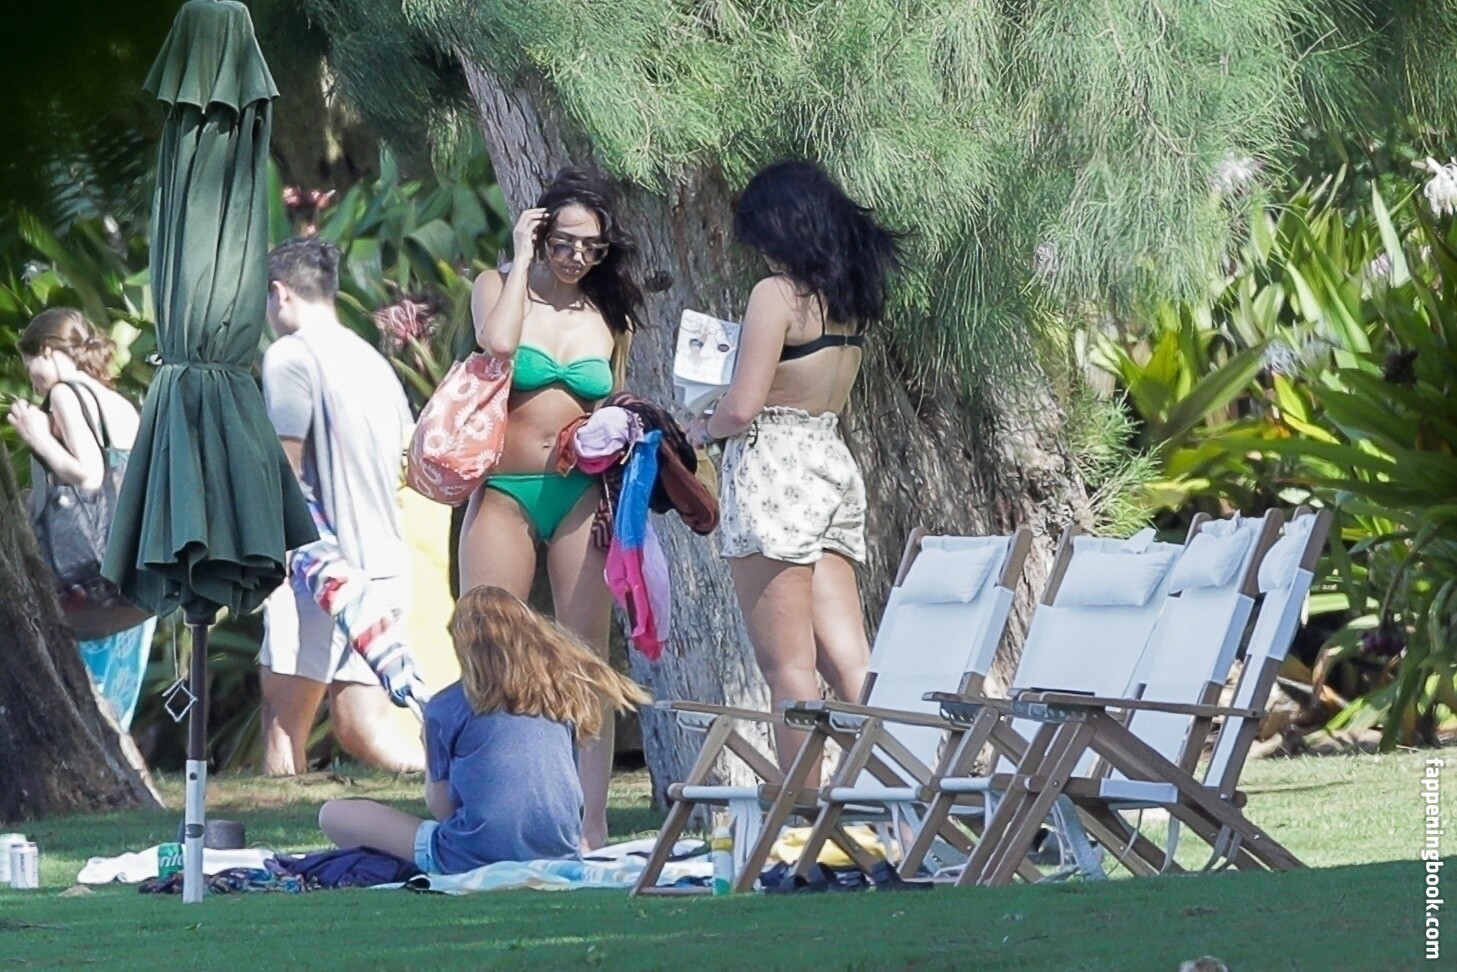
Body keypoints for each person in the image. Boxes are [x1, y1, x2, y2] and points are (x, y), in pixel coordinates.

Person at [685, 160, 902, 776]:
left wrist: (699, 428)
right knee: (849, 659)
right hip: (828, 459)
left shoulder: (777, 295)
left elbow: (742, 406)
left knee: (788, 667)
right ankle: (905, 801)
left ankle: (802, 809)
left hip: (774, 469)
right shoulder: (847, 297)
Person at [460, 168, 645, 849]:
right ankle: (488, 810)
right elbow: (499, 345)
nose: (576, 257)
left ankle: (591, 821)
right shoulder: (495, 286)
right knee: (490, 645)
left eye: (591, 248)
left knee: (586, 656)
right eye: (564, 242)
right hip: (506, 488)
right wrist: (519, 256)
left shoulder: (608, 316)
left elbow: (612, 400)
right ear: (539, 233)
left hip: (576, 493)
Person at [318, 585, 649, 873]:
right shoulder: (558, 698)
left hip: (470, 857)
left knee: (334, 814)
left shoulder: (446, 707)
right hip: (558, 852)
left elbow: (442, 809)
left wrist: (429, 747)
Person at [259, 237, 423, 775]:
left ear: (280, 293)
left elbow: (284, 469)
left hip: (318, 569)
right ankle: (451, 782)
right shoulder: (372, 360)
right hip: (385, 564)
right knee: (359, 726)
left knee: (284, 724)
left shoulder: (289, 356)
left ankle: (275, 817)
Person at [9, 308, 157, 731]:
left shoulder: (65, 393)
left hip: (88, 574)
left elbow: (89, 475)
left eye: (30, 362)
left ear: (48, 351)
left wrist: (37, 437)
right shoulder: (117, 401)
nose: (32, 377)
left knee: (86, 704)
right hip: (133, 573)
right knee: (117, 702)